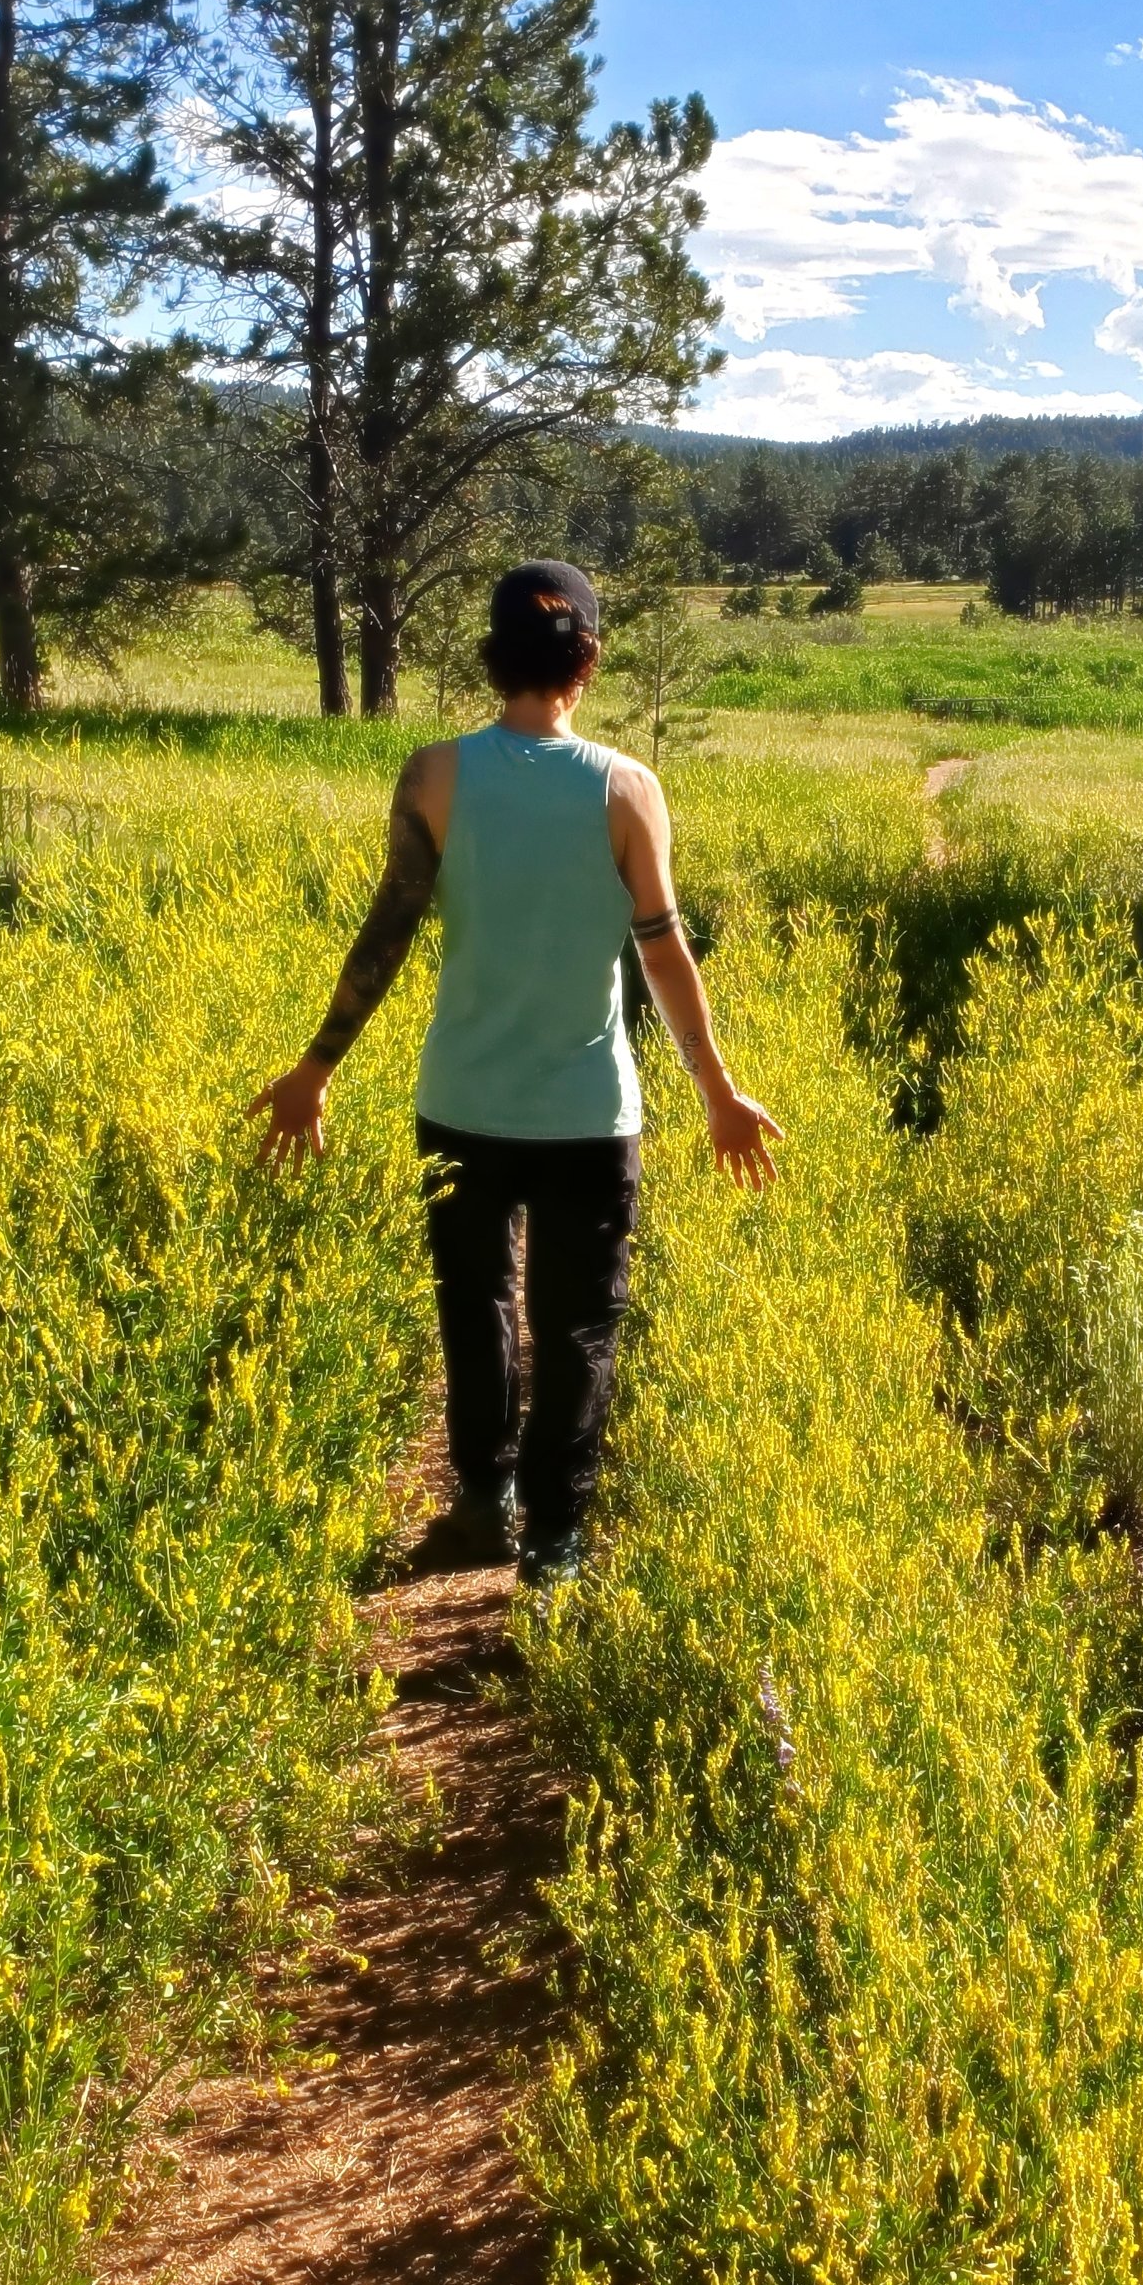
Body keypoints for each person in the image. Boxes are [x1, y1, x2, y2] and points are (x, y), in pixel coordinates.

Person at [249, 560, 782, 1584]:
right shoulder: (628, 788)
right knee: (577, 1327)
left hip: (462, 1103)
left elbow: (389, 931)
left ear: (495, 655)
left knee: (474, 1303)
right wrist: (719, 1093)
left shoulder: (433, 775)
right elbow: (663, 952)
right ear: (585, 659)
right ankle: (554, 1547)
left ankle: (482, 1504)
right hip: (589, 1113)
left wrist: (316, 1066)